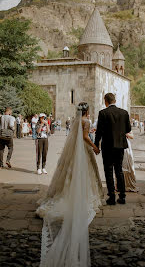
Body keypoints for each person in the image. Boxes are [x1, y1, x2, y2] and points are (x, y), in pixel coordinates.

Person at [36, 102, 103, 267]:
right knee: (88, 173)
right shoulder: (86, 121)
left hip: (75, 153)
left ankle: (67, 192)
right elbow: (85, 137)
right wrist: (95, 146)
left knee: (71, 173)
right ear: (87, 111)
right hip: (85, 151)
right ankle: (85, 195)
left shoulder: (76, 121)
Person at [95, 93, 131, 205]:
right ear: (115, 100)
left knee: (108, 171)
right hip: (120, 146)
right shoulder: (124, 113)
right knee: (119, 170)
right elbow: (128, 129)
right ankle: (122, 196)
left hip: (108, 146)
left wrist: (97, 145)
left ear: (106, 101)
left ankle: (111, 196)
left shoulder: (103, 113)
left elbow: (99, 132)